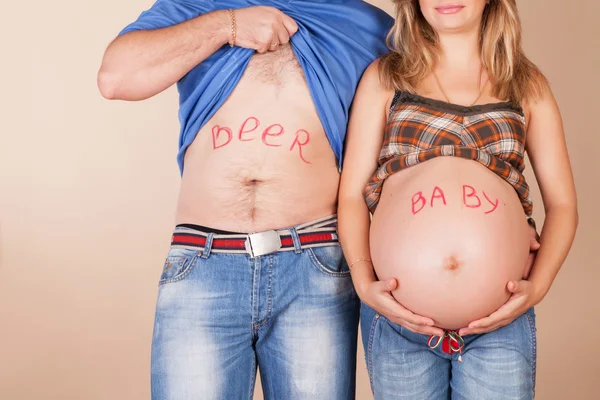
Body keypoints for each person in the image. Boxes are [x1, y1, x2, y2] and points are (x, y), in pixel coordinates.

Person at [98, 0, 393, 399]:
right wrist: (228, 25)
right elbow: (115, 78)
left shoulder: (366, 25)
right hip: (202, 262)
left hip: (314, 263)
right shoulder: (198, 6)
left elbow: (433, 107)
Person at [338, 0, 578, 398]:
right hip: (399, 317)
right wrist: (364, 283)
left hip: (501, 318)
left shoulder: (526, 84)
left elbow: (564, 205)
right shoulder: (385, 77)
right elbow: (350, 195)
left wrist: (538, 287)